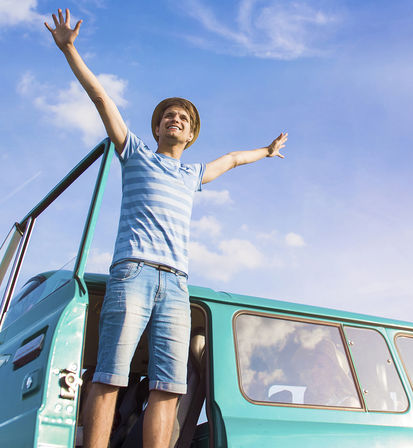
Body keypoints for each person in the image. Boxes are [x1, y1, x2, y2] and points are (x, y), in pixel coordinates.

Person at [45, 8, 288, 448]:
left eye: (183, 119)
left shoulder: (192, 173)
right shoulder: (134, 152)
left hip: (177, 284)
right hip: (134, 272)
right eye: (168, 116)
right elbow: (102, 98)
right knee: (111, 373)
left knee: (169, 385)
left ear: (190, 134)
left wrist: (266, 152)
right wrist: (69, 51)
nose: (175, 120)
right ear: (156, 127)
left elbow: (231, 159)